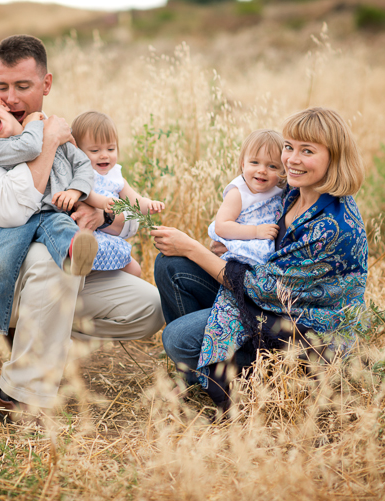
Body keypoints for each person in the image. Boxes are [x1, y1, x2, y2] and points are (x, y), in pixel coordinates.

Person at [0, 35, 164, 424]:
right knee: (52, 255)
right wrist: (46, 145)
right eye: (2, 87)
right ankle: (21, 395)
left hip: (60, 267)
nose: (10, 98)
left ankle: (45, 333)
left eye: (22, 87)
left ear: (46, 85)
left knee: (149, 307)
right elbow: (13, 211)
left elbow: (119, 210)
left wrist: (100, 216)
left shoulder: (55, 132)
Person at [152, 107, 367, 412]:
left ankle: (244, 380)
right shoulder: (293, 193)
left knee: (178, 338)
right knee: (170, 265)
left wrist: (192, 248)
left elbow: (263, 288)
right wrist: (234, 245)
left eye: (307, 151)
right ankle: (197, 372)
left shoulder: (332, 226)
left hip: (301, 329)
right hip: (265, 301)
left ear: (335, 157)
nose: (292, 159)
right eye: (289, 147)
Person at [0, 91, 103, 370]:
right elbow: (32, 148)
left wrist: (76, 190)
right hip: (20, 221)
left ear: (3, 105)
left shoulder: (51, 132)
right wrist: (37, 121)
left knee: (65, 233)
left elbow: (81, 164)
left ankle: (75, 256)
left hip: (52, 210)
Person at [71, 111, 165, 277]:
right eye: (94, 150)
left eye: (111, 148)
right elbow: (84, 194)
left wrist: (148, 205)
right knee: (83, 246)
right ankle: (80, 264)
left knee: (135, 270)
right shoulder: (81, 173)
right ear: (77, 151)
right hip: (88, 236)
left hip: (109, 238)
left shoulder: (116, 175)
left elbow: (135, 201)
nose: (104, 155)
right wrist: (103, 202)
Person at [207, 129, 285, 267]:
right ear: (243, 164)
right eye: (255, 162)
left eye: (272, 166)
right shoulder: (238, 192)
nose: (262, 170)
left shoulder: (280, 191)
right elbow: (221, 226)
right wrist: (256, 231)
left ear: (283, 171)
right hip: (241, 244)